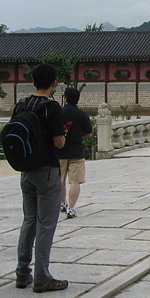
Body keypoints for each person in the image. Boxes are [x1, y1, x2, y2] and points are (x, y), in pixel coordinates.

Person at [14, 63, 68, 292]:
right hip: (46, 170)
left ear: (33, 81)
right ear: (54, 83)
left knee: (29, 220)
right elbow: (59, 143)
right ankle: (42, 276)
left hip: (26, 170)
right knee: (46, 224)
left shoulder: (22, 104)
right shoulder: (52, 108)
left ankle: (22, 272)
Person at [58, 87, 93, 219]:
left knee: (59, 180)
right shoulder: (81, 114)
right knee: (75, 181)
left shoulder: (58, 113)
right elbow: (89, 133)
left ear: (65, 98)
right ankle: (71, 208)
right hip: (76, 151)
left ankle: (62, 203)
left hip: (59, 151)